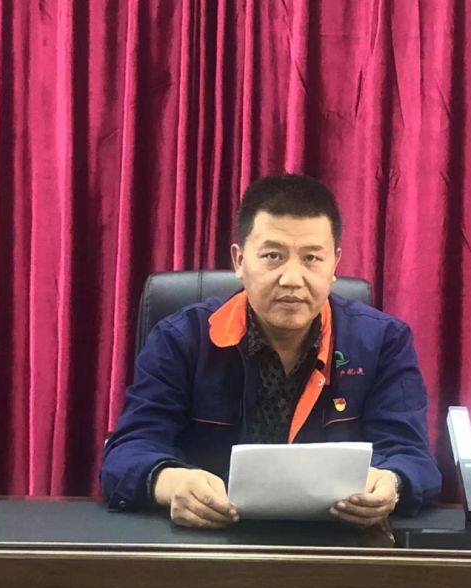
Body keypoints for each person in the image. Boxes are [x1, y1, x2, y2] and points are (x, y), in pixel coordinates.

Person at [101, 174, 441, 528]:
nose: (292, 278)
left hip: (337, 542)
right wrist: (170, 483)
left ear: (334, 266)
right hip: (208, 539)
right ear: (239, 261)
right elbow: (128, 450)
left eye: (312, 258)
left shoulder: (383, 341)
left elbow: (413, 456)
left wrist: (391, 483)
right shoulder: (182, 338)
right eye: (273, 256)